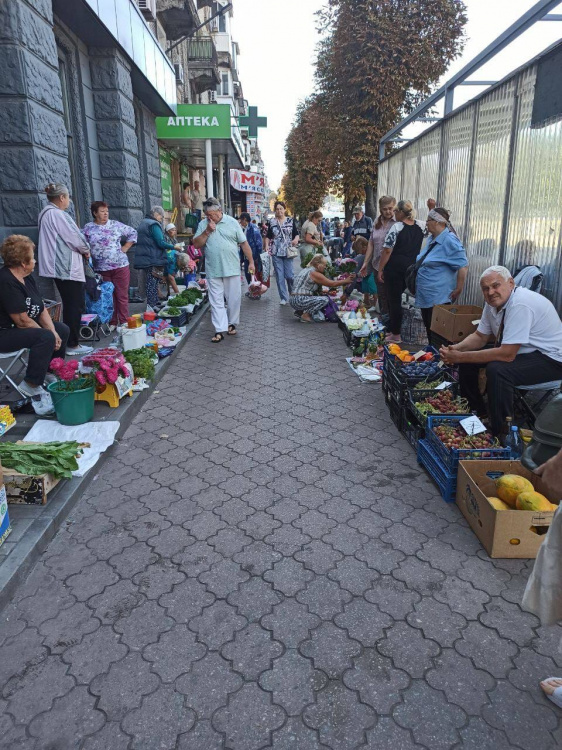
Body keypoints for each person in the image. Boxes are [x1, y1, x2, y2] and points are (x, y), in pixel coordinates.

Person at [440, 266, 562, 436]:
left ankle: (501, 431)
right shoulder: (493, 303)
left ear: (511, 283)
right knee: (469, 361)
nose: (491, 292)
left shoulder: (520, 304)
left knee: (498, 370)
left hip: (552, 359)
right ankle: (477, 413)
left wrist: (459, 356)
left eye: (496, 285)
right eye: (486, 289)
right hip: (527, 351)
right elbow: (480, 336)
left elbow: (506, 354)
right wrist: (456, 349)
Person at [0, 235, 70, 415]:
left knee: (61, 329)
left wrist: (54, 331)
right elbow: (22, 320)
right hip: (5, 333)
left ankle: (48, 372)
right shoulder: (6, 281)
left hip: (19, 329)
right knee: (45, 336)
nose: (35, 261)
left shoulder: (27, 276)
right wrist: (49, 335)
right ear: (23, 262)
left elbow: (40, 308)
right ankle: (31, 383)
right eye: (32, 257)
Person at [37, 182, 92, 355]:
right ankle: (72, 344)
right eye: (68, 197)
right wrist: (87, 250)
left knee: (71, 304)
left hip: (58, 266)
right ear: (62, 197)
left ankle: (70, 342)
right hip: (65, 267)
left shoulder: (46, 213)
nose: (69, 201)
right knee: (74, 306)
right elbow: (75, 238)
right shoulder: (57, 214)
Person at [193, 197, 255, 343]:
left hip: (232, 268)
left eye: (212, 215)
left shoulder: (232, 222)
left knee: (234, 299)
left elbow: (244, 244)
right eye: (207, 215)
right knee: (216, 301)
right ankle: (219, 330)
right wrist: (207, 231)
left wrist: (251, 262)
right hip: (213, 269)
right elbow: (196, 244)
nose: (209, 218)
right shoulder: (204, 224)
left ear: (220, 211)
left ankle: (232, 323)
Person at [415, 208, 468, 342]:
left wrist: (459, 288)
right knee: (429, 329)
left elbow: (463, 265)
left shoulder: (450, 240)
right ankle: (431, 357)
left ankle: (439, 359)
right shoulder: (432, 239)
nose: (426, 223)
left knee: (437, 334)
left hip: (439, 297)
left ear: (438, 222)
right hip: (427, 297)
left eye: (429, 220)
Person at [82, 201, 137, 330]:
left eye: (106, 211)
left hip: (120, 266)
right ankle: (112, 322)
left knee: (121, 295)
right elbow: (81, 242)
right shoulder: (88, 228)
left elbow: (133, 232)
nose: (105, 213)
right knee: (108, 296)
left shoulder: (115, 225)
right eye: (102, 211)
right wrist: (87, 252)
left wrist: (126, 247)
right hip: (101, 269)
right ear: (95, 213)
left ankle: (123, 321)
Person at [377, 200, 425, 344]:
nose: (393, 214)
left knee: (394, 301)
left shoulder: (397, 227)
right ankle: (395, 330)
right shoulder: (421, 226)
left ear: (400, 212)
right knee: (402, 299)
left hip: (394, 268)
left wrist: (380, 269)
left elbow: (387, 250)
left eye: (395, 211)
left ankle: (395, 334)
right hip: (411, 269)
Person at [134, 207, 181, 311]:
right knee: (152, 282)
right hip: (152, 257)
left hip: (145, 256)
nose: (161, 218)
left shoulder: (144, 222)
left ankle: (154, 303)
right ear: (155, 214)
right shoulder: (153, 225)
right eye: (161, 215)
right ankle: (152, 305)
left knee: (151, 281)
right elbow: (160, 242)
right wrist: (174, 247)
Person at [290, 254, 356, 323]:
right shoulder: (314, 273)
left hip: (293, 298)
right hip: (299, 300)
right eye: (324, 265)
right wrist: (346, 281)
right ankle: (306, 315)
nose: (325, 267)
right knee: (325, 300)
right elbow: (332, 284)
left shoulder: (306, 270)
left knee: (318, 297)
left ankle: (300, 311)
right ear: (318, 264)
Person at [361, 195, 397, 318]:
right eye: (385, 209)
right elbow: (371, 242)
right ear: (380, 209)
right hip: (377, 265)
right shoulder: (377, 221)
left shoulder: (398, 222)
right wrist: (366, 262)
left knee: (391, 296)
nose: (388, 211)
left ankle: (392, 325)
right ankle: (385, 321)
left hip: (392, 265)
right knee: (381, 295)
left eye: (391, 208)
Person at [265, 201, 300, 306]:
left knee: (289, 276)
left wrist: (295, 240)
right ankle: (284, 298)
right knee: (280, 276)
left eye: (281, 208)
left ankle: (292, 293)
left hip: (288, 252)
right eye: (277, 209)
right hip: (276, 252)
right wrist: (266, 245)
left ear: (284, 209)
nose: (279, 211)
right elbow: (268, 236)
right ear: (275, 210)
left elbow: (296, 234)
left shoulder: (290, 221)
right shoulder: (272, 222)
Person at [238, 212, 263, 285]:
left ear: (244, 219)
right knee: (248, 274)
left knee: (252, 274)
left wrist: (257, 256)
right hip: (247, 256)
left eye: (241, 220)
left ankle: (255, 291)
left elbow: (259, 243)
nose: (240, 222)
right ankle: (252, 289)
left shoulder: (253, 228)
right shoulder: (244, 229)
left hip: (253, 256)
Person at [163, 223, 183, 296]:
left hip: (173, 257)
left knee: (169, 276)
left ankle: (169, 292)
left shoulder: (174, 239)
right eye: (173, 230)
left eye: (175, 230)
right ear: (168, 231)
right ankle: (176, 293)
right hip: (167, 258)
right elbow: (166, 248)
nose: (174, 231)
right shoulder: (165, 238)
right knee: (168, 276)